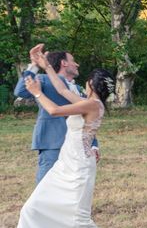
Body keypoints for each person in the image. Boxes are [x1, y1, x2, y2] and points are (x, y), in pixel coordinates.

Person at [2, 46, 117, 228]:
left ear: (91, 85)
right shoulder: (88, 101)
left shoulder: (92, 105)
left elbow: (54, 110)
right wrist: (46, 67)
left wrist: (36, 93)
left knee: (77, 218)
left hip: (78, 167)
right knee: (33, 209)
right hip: (64, 164)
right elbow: (62, 89)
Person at [14, 46, 98, 183]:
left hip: (78, 145)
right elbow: (20, 91)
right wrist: (35, 65)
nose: (77, 64)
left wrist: (94, 144)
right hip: (53, 142)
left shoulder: (78, 89)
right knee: (46, 185)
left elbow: (88, 119)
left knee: (72, 185)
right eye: (73, 61)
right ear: (64, 63)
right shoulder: (43, 79)